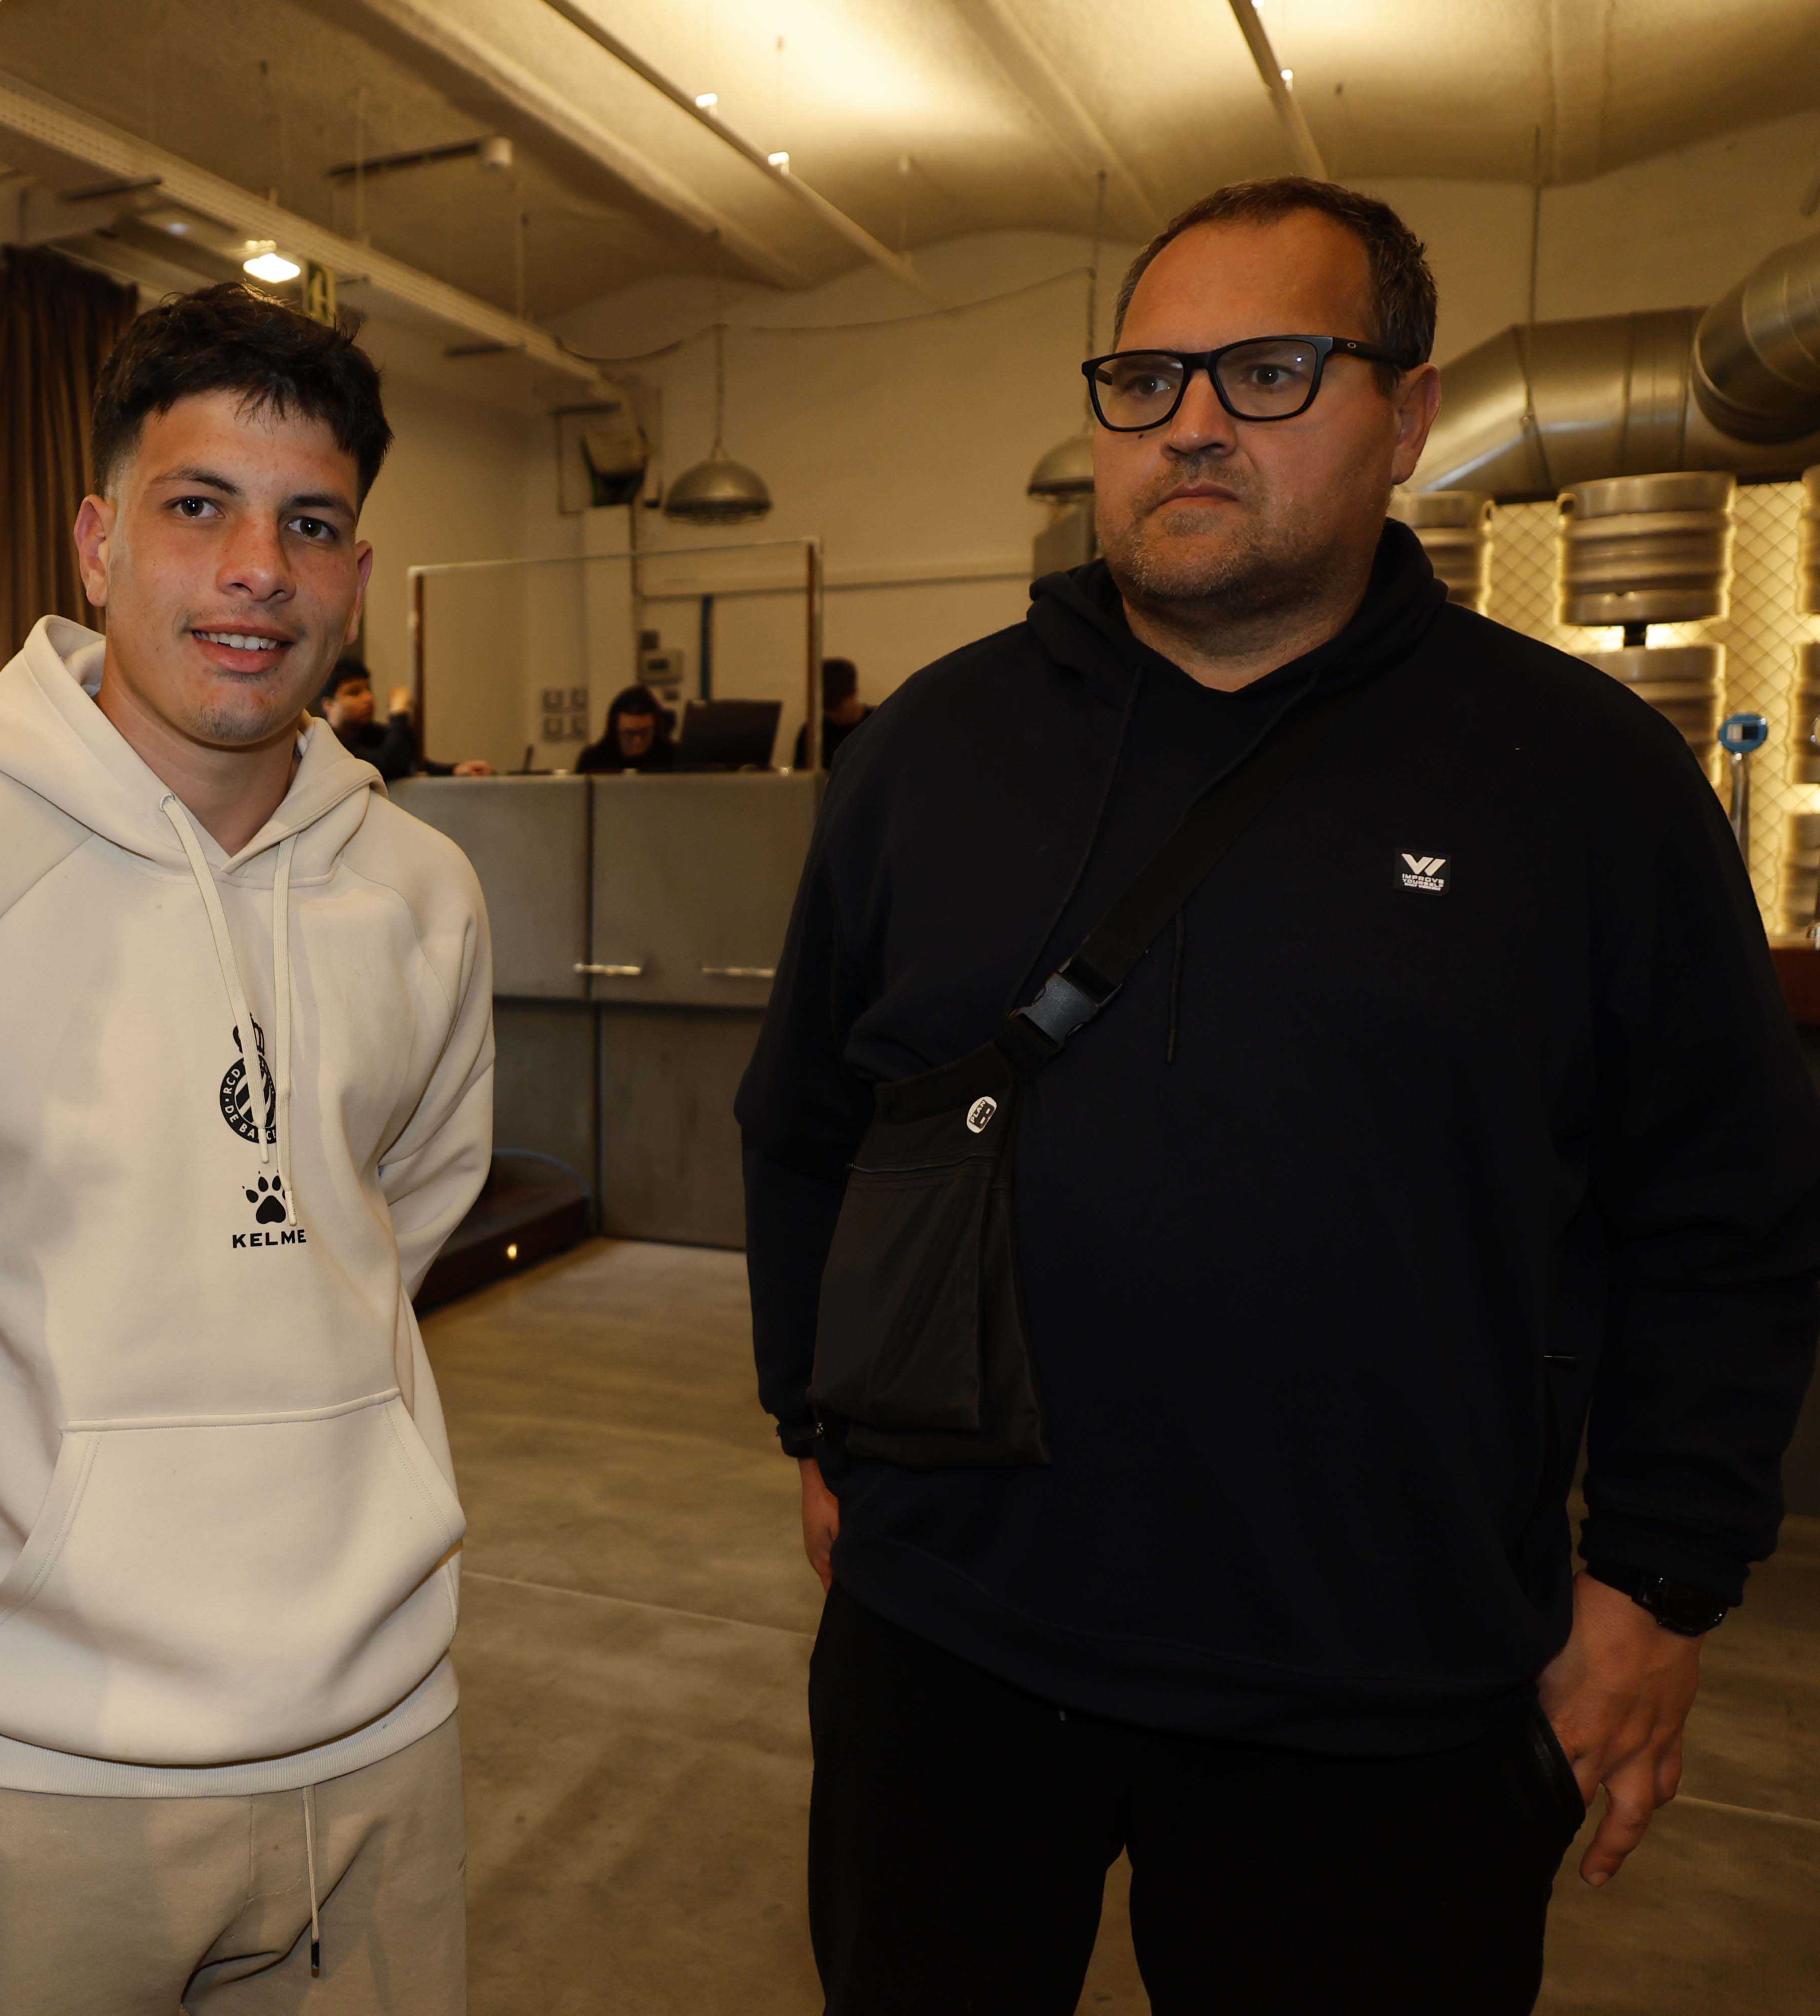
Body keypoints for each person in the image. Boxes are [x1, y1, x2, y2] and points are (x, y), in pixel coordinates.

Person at [741, 177, 1820, 2015]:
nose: (1186, 423)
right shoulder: (928, 747)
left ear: (1404, 419)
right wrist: (811, 1417)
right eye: (1143, 378)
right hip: (950, 1641)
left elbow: (1722, 1209)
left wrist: (1656, 1578)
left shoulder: (1579, 779)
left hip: (1379, 1684)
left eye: (1264, 372)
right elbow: (806, 1124)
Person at [0, 283, 492, 2014]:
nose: (256, 571)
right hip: (32, 1762)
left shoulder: (421, 890)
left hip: (384, 1732)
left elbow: (400, 1213)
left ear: (354, 574)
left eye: (307, 525)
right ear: (98, 543)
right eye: (198, 508)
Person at [319, 657, 492, 781]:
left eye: (368, 689)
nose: (368, 698)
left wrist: (454, 770)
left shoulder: (370, 733)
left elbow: (409, 759)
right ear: (329, 705)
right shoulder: (325, 743)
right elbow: (389, 766)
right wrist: (399, 714)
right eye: (355, 693)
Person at [574, 683, 676, 773]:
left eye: (645, 733)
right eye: (629, 734)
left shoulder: (674, 758)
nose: (637, 741)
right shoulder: (593, 761)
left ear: (656, 729)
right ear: (615, 731)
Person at [790, 657, 869, 770]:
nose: (833, 715)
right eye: (827, 708)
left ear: (854, 694)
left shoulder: (878, 725)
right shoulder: (812, 732)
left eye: (837, 708)